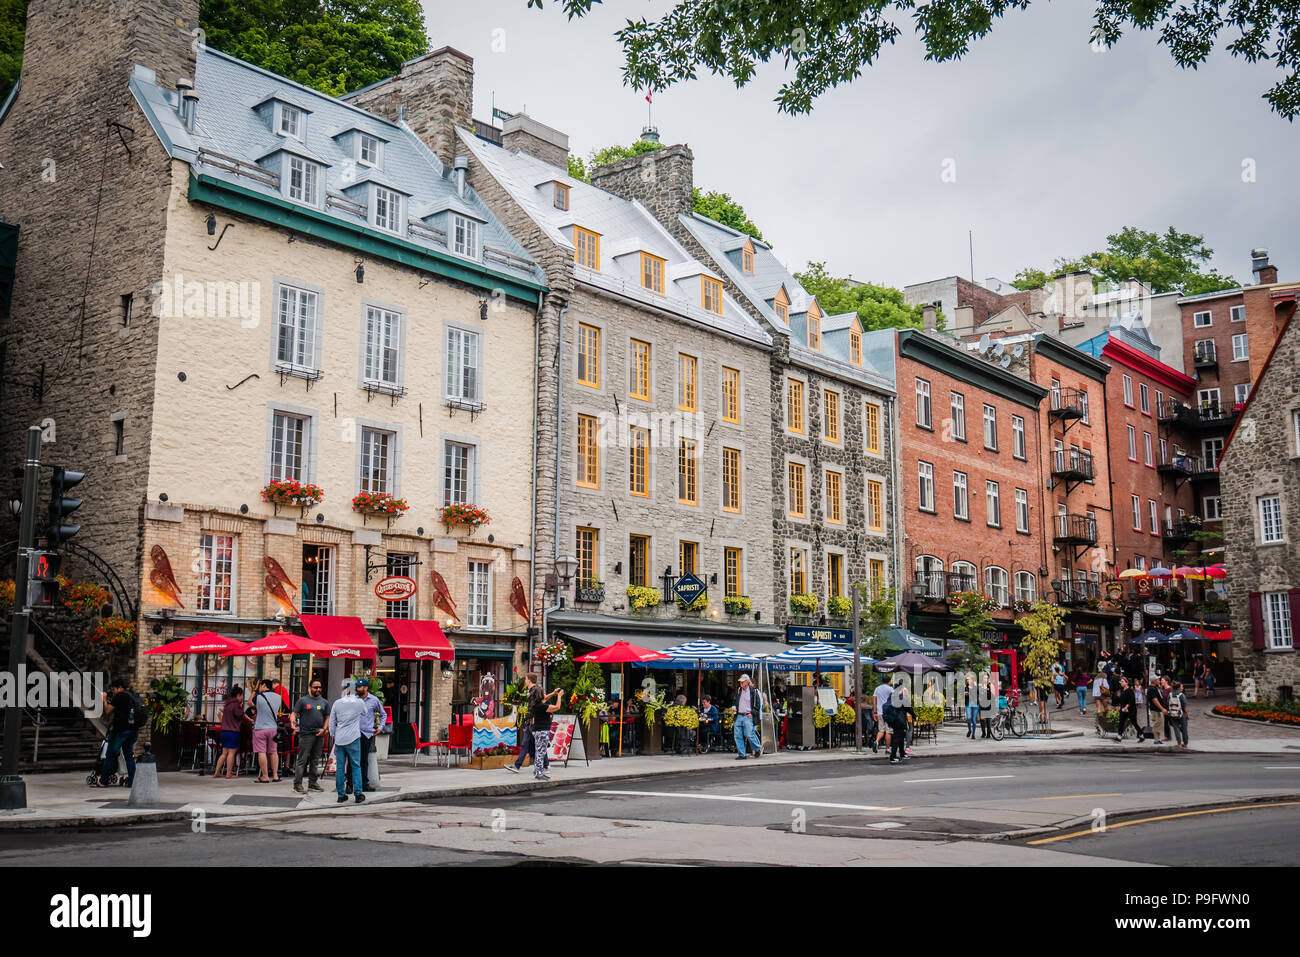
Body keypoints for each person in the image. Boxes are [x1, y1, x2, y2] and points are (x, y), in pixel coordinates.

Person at [97, 677, 140, 788]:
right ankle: (132, 781)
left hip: (120, 730)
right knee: (129, 755)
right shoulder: (133, 694)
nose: (113, 691)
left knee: (111, 754)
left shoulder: (120, 696)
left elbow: (107, 710)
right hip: (133, 730)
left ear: (119, 688)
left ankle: (103, 781)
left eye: (114, 689)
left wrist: (104, 699)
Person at [330, 679, 367, 804]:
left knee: (340, 767)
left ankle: (341, 795)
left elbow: (331, 722)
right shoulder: (358, 702)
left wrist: (333, 735)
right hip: (353, 738)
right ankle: (358, 793)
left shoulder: (337, 703)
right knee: (356, 766)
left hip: (340, 739)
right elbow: (365, 712)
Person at [291, 678, 330, 793]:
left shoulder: (324, 702)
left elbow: (327, 716)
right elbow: (294, 713)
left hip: (319, 734)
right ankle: (297, 784)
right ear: (310, 688)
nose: (318, 689)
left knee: (315, 760)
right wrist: (293, 722)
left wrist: (324, 728)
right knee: (302, 760)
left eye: (319, 687)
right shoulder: (302, 701)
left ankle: (312, 783)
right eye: (315, 687)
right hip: (305, 734)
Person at [529, 676, 564, 781]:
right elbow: (557, 707)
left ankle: (537, 771)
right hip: (542, 731)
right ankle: (539, 773)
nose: (545, 695)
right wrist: (559, 696)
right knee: (541, 752)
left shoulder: (535, 704)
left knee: (538, 751)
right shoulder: (542, 707)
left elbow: (545, 698)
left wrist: (553, 693)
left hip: (536, 730)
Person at [355, 677, 385, 792]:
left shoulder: (374, 700)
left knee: (363, 760)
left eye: (361, 687)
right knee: (353, 760)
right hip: (353, 733)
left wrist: (380, 727)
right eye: (357, 687)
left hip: (366, 733)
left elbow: (383, 714)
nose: (358, 688)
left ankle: (364, 783)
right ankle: (351, 783)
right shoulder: (353, 699)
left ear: (366, 688)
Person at [250, 678, 283, 783]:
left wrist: (255, 690)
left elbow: (249, 702)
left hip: (260, 728)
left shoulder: (259, 697)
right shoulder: (279, 697)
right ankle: (275, 775)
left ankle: (265, 776)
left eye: (260, 686)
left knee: (261, 752)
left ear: (264, 686)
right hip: (273, 728)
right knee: (273, 752)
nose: (259, 688)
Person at [213, 685, 248, 779]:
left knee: (224, 753)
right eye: (242, 696)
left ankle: (217, 772)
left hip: (224, 731)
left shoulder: (227, 704)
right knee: (231, 753)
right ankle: (228, 773)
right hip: (233, 732)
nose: (242, 698)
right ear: (238, 695)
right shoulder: (236, 705)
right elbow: (241, 717)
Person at [732, 674, 763, 759]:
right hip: (739, 715)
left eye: (743, 681)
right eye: (740, 682)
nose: (741, 683)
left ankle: (757, 748)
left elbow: (758, 704)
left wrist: (752, 713)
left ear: (747, 682)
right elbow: (735, 701)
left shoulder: (754, 691)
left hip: (748, 715)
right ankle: (742, 754)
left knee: (749, 734)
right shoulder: (739, 690)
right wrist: (734, 707)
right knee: (737, 735)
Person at [886, 680, 908, 763]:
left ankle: (901, 753)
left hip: (894, 720)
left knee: (900, 737)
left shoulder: (892, 695)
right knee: (897, 738)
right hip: (898, 720)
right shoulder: (899, 696)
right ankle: (893, 756)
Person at [1113, 676, 1138, 742]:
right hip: (1123, 709)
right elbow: (1121, 700)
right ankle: (1119, 736)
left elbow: (1131, 700)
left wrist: (1126, 707)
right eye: (1120, 681)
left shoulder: (1130, 691)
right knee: (1121, 722)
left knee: (1134, 722)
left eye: (1122, 681)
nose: (1121, 683)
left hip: (1131, 710)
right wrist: (1119, 706)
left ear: (1127, 683)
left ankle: (1141, 734)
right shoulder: (1122, 690)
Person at [1147, 674, 1170, 745]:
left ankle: (1158, 739)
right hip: (1155, 710)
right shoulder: (1152, 689)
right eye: (1158, 680)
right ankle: (1156, 740)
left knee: (1159, 724)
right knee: (1156, 724)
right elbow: (1155, 700)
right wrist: (1162, 708)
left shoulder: (1155, 688)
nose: (1159, 681)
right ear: (1154, 681)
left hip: (1158, 710)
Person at [874, 674, 894, 752]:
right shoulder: (890, 689)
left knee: (881, 730)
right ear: (889, 681)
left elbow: (874, 701)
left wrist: (875, 712)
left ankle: (876, 741)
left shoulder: (877, 689)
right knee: (888, 731)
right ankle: (888, 748)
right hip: (888, 712)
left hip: (879, 712)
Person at [1167, 679, 1189, 749]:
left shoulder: (1170, 694)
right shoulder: (1181, 695)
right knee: (1184, 728)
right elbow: (1184, 706)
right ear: (1179, 687)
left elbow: (1168, 703)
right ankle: (1185, 743)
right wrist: (1187, 715)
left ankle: (1179, 743)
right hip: (1182, 713)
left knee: (1176, 728)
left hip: (1173, 713)